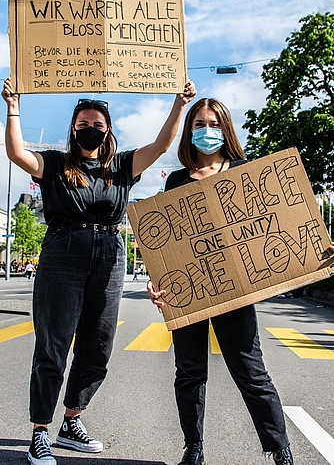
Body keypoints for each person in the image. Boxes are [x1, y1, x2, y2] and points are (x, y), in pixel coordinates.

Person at [1, 76, 196, 465]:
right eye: (83, 125)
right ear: (73, 130)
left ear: (108, 132)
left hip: (109, 255)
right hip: (63, 254)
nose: (90, 130)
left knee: (98, 347)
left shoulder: (122, 167)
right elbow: (17, 153)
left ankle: (72, 420)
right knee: (53, 345)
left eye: (97, 125)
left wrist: (178, 103)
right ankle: (41, 428)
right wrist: (13, 106)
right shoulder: (54, 164)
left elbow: (160, 146)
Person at [147, 98, 295, 465]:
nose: (206, 130)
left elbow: (277, 225)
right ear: (189, 130)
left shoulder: (244, 173)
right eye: (198, 123)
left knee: (251, 371)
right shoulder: (178, 181)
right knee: (189, 373)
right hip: (189, 292)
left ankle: (281, 450)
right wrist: (157, 281)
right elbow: (167, 244)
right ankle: (193, 448)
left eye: (213, 123)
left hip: (235, 294)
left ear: (225, 129)